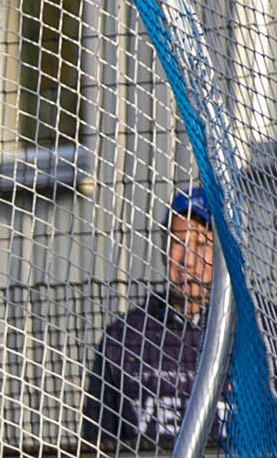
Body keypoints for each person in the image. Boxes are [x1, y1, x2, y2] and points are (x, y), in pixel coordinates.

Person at [83, 187, 229, 443]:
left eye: (202, 244)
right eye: (178, 243)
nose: (188, 260)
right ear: (163, 248)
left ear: (223, 253)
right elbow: (96, 445)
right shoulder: (125, 339)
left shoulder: (258, 337)